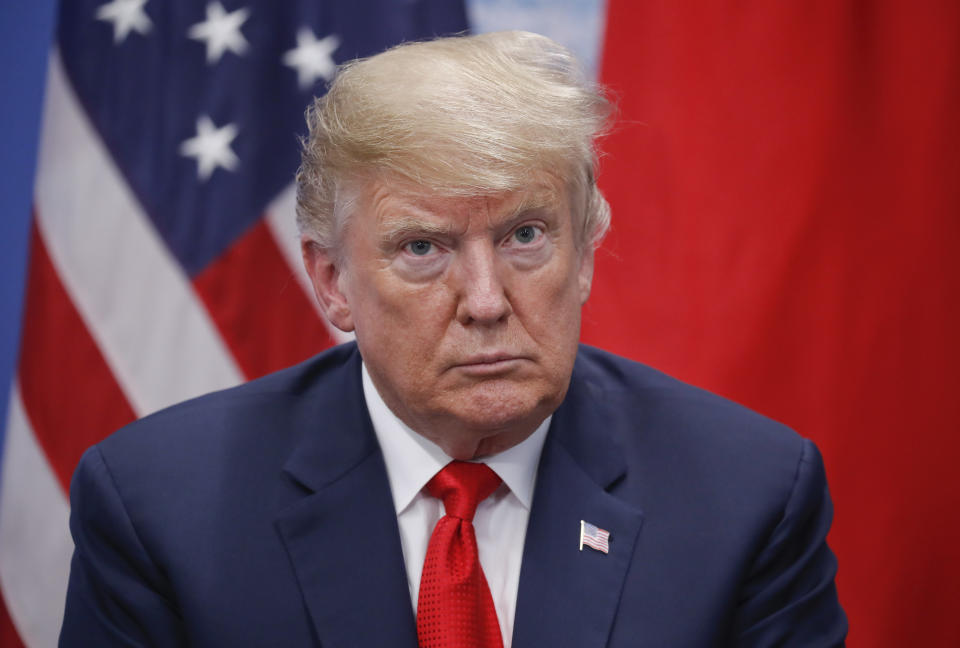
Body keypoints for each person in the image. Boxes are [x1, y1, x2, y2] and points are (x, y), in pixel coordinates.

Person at [60, 31, 847, 647]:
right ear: (332, 281)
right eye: (422, 248)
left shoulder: (747, 498)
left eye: (526, 235)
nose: (485, 301)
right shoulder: (161, 510)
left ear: (585, 257)